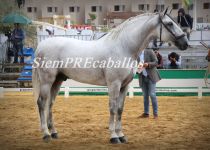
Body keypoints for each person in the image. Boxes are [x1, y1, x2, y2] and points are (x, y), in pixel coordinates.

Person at [137, 49, 161, 119]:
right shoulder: (136, 54)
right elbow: (135, 65)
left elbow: (156, 62)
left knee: (152, 94)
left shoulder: (149, 51)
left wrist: (148, 64)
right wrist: (136, 67)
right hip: (142, 77)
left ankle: (155, 113)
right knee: (145, 96)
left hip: (151, 76)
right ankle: (146, 113)